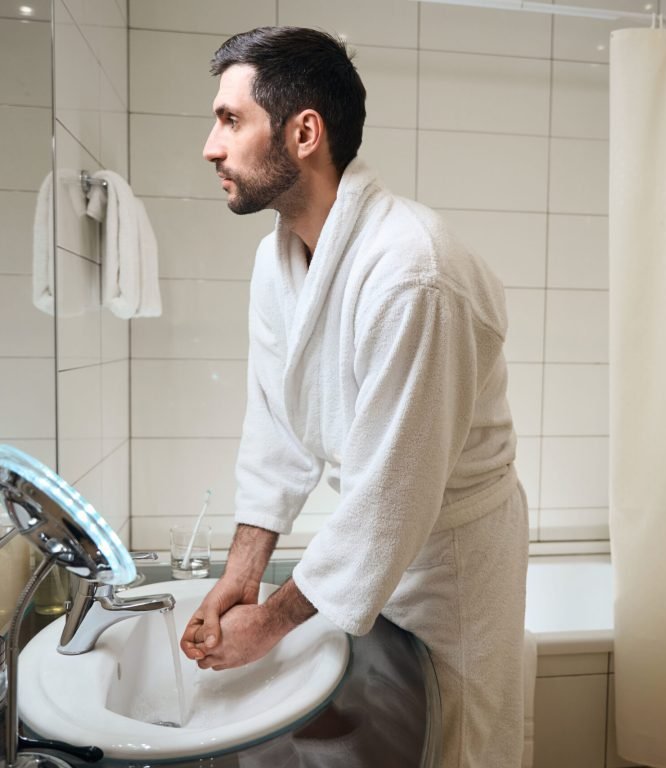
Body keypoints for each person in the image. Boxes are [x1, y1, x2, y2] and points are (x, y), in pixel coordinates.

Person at [180, 26, 529, 768]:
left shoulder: (413, 274)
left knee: (460, 744)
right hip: (381, 545)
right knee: (395, 737)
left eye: (230, 120)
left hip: (451, 562)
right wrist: (239, 580)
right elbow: (276, 430)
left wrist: (270, 622)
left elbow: (391, 494)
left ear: (305, 133)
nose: (211, 146)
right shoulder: (277, 261)